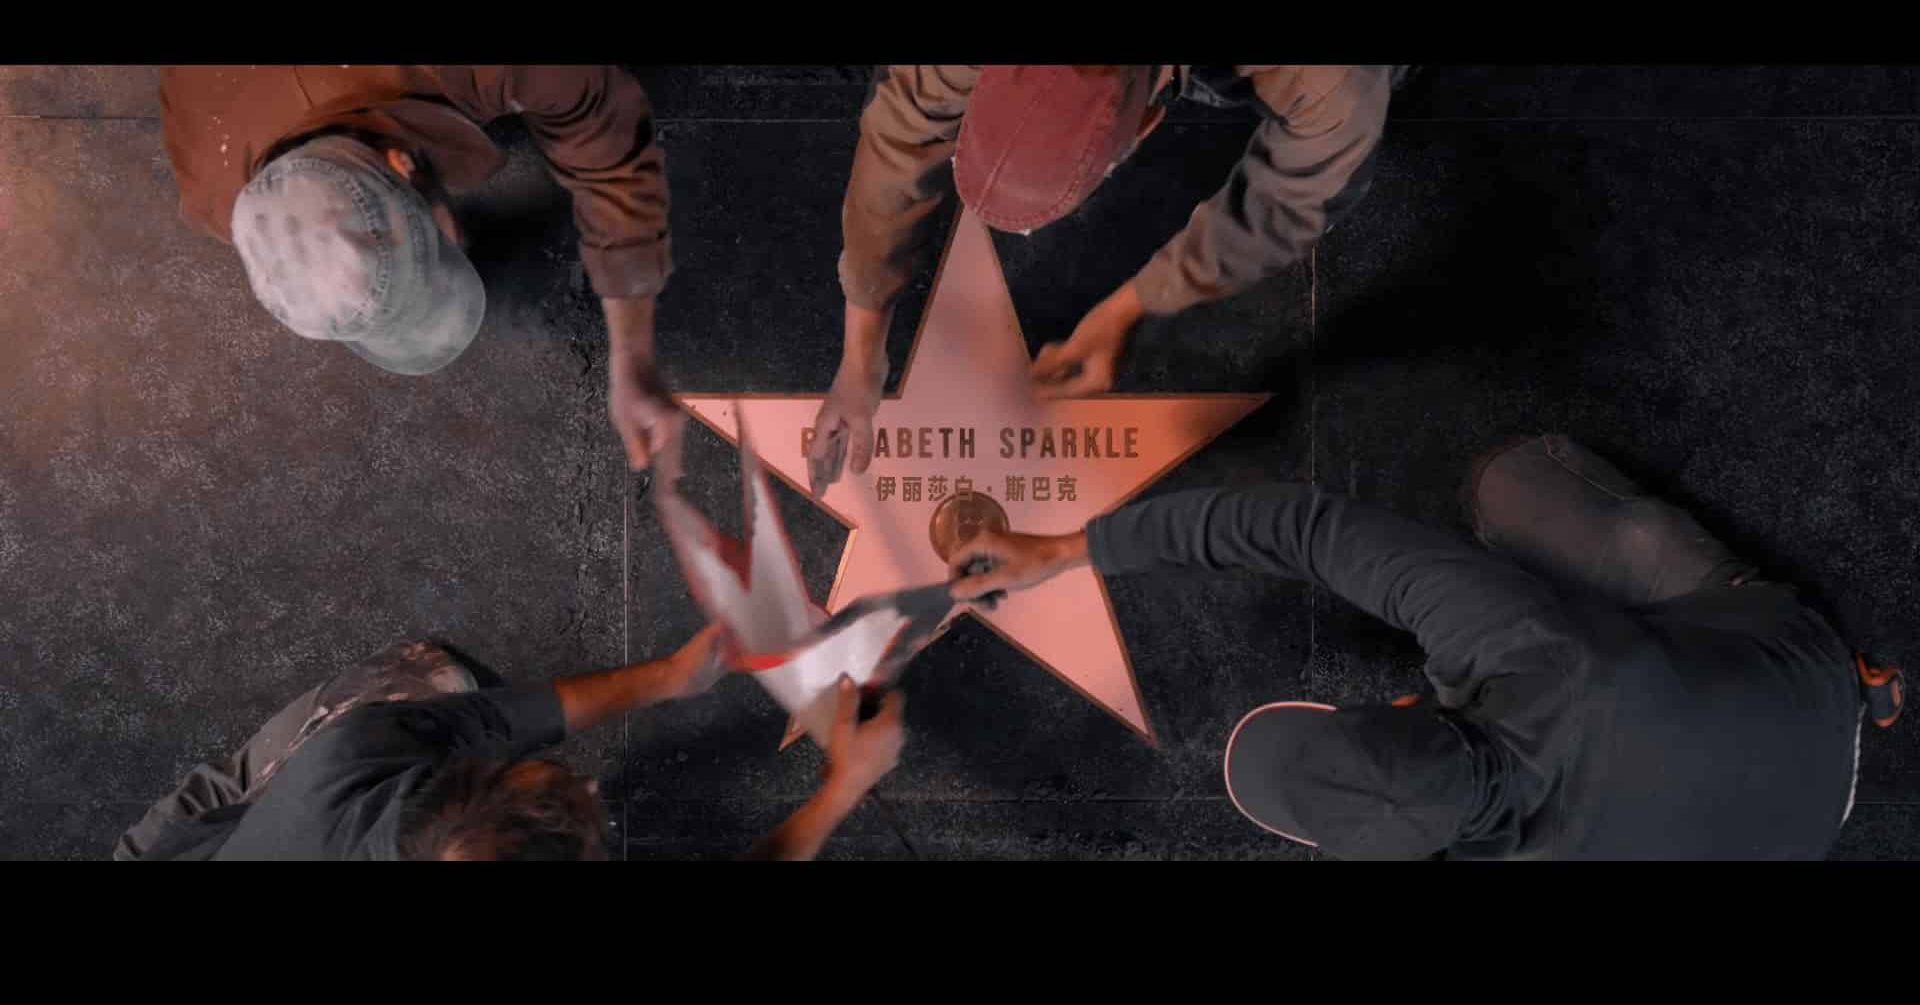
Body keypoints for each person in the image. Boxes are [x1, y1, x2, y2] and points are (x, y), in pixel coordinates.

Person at [946, 434, 1875, 860]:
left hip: (1807, 829)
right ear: (1400, 706)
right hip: (1808, 680)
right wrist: (1067, 550)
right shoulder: (1527, 647)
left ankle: (1866, 696)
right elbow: (1303, 529)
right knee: (1510, 484)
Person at [808, 64, 1410, 494]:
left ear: (1147, 124)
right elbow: (899, 139)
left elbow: (1292, 197)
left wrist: (1133, 306)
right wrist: (861, 358)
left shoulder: (1328, 84)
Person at [160, 66, 683, 470]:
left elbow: (611, 152)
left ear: (402, 162)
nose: (458, 247)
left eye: (434, 244)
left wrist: (631, 353)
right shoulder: (209, 187)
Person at [114, 631, 905, 861]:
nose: (593, 789)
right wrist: (844, 785)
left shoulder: (346, 757)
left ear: (446, 791)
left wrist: (669, 676)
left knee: (434, 680)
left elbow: (490, 722)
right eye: (589, 826)